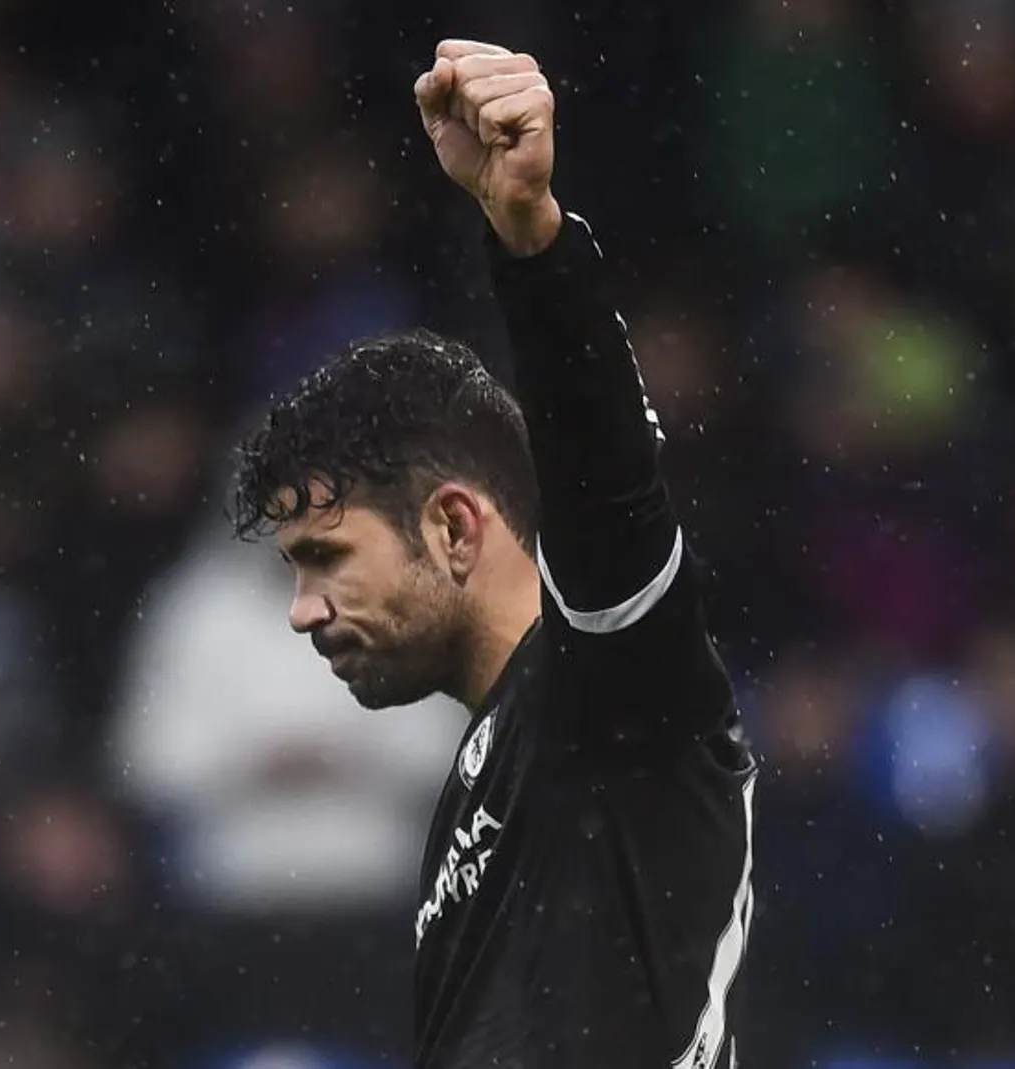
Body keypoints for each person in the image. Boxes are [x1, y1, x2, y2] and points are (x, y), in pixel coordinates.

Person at [228, 38, 758, 1069]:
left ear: (455, 526)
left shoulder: (607, 689)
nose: (302, 609)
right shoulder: (479, 784)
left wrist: (531, 239)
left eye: (326, 556)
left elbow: (608, 488)